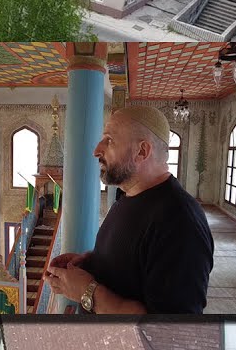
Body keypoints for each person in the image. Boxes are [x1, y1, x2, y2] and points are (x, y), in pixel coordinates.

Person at [44, 105, 213, 314]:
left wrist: (88, 292)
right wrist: (91, 262)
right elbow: (134, 261)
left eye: (109, 140)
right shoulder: (128, 196)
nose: (97, 150)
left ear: (142, 151)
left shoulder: (180, 222)